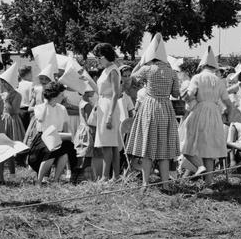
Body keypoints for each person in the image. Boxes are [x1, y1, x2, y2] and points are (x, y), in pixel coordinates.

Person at [124, 33, 181, 188]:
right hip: (166, 108)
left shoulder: (147, 69)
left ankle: (145, 183)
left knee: (147, 149)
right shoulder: (172, 72)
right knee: (164, 151)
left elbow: (129, 82)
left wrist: (140, 63)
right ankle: (165, 185)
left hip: (149, 108)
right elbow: (176, 94)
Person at [180, 46, 230, 178]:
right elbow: (227, 101)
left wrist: (185, 96)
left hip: (199, 111)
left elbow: (189, 95)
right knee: (209, 150)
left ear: (202, 65)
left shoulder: (197, 77)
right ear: (214, 66)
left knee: (187, 144)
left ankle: (200, 166)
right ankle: (209, 182)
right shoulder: (219, 81)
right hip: (214, 113)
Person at [28, 81, 83, 182]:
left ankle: (56, 179)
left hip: (59, 136)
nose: (63, 96)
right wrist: (45, 103)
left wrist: (68, 138)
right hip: (43, 138)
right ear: (54, 96)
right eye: (61, 94)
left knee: (66, 150)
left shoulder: (62, 108)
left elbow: (66, 126)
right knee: (51, 151)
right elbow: (40, 119)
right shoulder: (40, 107)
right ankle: (39, 181)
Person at [89, 43, 125, 181]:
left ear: (104, 56)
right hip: (104, 104)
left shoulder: (113, 70)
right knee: (112, 143)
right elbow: (100, 91)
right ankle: (115, 176)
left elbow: (116, 93)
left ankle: (105, 176)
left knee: (107, 143)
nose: (97, 60)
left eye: (98, 57)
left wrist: (110, 114)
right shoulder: (106, 70)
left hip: (110, 106)